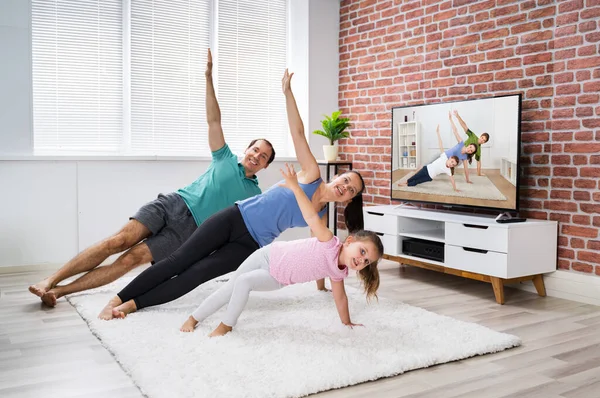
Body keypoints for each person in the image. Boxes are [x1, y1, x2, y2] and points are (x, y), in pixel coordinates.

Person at [101, 68, 367, 320]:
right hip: (234, 217)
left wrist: (322, 286)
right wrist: (288, 93)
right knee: (179, 260)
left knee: (195, 276)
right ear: (337, 176)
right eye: (345, 180)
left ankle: (132, 305)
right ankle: (116, 298)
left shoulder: (320, 218)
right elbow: (298, 133)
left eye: (350, 189)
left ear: (348, 200)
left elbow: (318, 253)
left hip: (250, 245)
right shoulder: (310, 173)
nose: (344, 186)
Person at [29, 49, 275, 313]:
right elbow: (213, 119)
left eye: (263, 157)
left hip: (190, 232)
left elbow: (245, 228)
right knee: (118, 241)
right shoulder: (224, 157)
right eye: (255, 150)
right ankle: (50, 279)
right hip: (173, 204)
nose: (256, 156)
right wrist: (208, 78)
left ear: (265, 166)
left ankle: (58, 291)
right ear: (247, 149)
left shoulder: (254, 195)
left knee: (130, 260)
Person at [179, 163, 383, 336]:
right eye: (363, 252)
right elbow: (311, 216)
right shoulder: (329, 240)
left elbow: (340, 298)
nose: (362, 261)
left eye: (367, 262)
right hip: (267, 255)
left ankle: (226, 325)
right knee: (230, 287)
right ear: (349, 241)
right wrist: (295, 187)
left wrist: (346, 322)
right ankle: (193, 318)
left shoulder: (338, 272)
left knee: (243, 282)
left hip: (277, 277)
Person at [398, 125, 460, 191]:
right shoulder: (444, 157)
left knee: (418, 181)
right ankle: (407, 181)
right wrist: (438, 133)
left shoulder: (448, 170)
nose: (451, 164)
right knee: (416, 176)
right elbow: (440, 144)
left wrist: (455, 188)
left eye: (453, 165)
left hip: (429, 177)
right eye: (452, 162)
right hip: (426, 169)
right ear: (450, 158)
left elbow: (452, 180)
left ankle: (407, 184)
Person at [452, 110, 490, 176]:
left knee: (455, 163)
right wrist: (457, 116)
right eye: (482, 138)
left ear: (484, 143)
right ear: (480, 136)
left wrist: (479, 173)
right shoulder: (473, 136)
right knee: (447, 158)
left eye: (484, 141)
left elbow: (478, 162)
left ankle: (451, 167)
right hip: (459, 149)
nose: (482, 140)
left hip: (462, 157)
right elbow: (464, 126)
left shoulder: (478, 150)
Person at [444, 112, 478, 184]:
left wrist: (467, 180)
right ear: (469, 145)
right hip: (443, 156)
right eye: (470, 147)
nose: (469, 150)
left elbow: (466, 169)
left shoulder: (465, 157)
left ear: (471, 153)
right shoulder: (461, 143)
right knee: (428, 166)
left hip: (449, 162)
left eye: (471, 151)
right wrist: (450, 119)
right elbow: (455, 131)